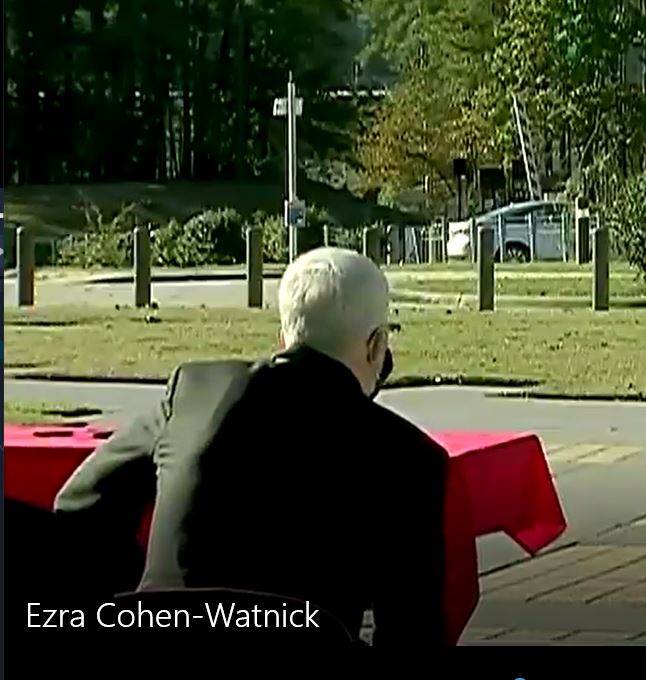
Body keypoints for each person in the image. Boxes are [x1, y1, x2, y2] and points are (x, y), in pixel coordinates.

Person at [53, 247, 450, 647]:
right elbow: (415, 632)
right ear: (376, 347)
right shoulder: (410, 457)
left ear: (283, 336)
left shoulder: (195, 391)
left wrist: (141, 599)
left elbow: (79, 508)